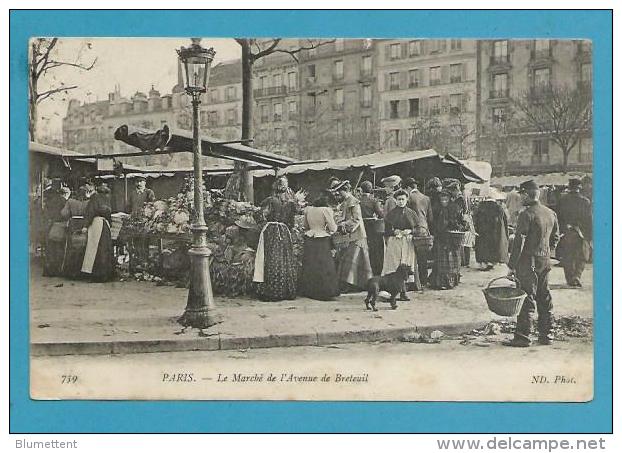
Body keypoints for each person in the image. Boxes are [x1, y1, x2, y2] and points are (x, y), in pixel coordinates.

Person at [504, 180, 560, 347]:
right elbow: (555, 237)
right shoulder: (550, 213)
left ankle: (522, 337)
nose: (520, 198)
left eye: (522, 195)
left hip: (529, 263)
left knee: (527, 298)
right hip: (545, 261)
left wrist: (512, 265)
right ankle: (547, 335)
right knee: (544, 297)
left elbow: (519, 242)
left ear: (527, 195)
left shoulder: (526, 214)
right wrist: (546, 251)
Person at [253, 175, 298, 301]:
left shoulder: (270, 200)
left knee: (270, 258)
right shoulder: (291, 203)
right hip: (284, 231)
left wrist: (264, 223)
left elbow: (258, 215)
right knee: (284, 259)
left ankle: (270, 290)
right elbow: (292, 223)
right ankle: (285, 290)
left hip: (271, 230)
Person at [332, 180, 373, 292]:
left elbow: (356, 219)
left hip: (356, 234)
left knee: (353, 260)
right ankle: (352, 285)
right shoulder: (345, 201)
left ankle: (353, 285)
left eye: (339, 192)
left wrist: (342, 225)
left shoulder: (353, 202)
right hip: (350, 235)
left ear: (345, 190)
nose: (337, 195)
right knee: (350, 260)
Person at [298, 194, 340, 301]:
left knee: (311, 264)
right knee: (324, 265)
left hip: (310, 237)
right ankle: (325, 291)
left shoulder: (309, 210)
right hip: (321, 238)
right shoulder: (325, 210)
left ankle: (309, 290)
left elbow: (305, 226)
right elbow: (333, 228)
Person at [382, 189, 422, 299]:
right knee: (394, 266)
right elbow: (386, 230)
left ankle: (404, 292)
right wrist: (394, 231)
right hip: (395, 242)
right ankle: (393, 292)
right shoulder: (391, 214)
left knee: (405, 266)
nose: (401, 201)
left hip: (407, 242)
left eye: (403, 199)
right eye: (398, 199)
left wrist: (410, 231)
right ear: (395, 200)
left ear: (407, 199)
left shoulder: (411, 213)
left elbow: (418, 228)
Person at [556, 178, 592, 287]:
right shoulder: (585, 201)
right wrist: (589, 235)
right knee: (582, 256)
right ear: (579, 188)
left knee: (567, 256)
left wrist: (560, 230)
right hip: (581, 233)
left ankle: (570, 278)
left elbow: (558, 217)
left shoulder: (562, 200)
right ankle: (577, 276)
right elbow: (589, 219)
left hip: (566, 232)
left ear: (569, 187)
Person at [81, 181, 115, 282]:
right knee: (106, 249)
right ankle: (106, 274)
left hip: (96, 223)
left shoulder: (95, 198)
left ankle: (97, 275)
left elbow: (91, 211)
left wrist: (85, 225)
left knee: (95, 248)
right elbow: (110, 213)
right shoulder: (108, 198)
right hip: (106, 225)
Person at [429, 190, 463, 290]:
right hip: (441, 238)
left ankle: (451, 281)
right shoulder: (436, 209)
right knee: (441, 260)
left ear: (449, 199)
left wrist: (456, 226)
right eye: (442, 199)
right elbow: (433, 223)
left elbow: (460, 222)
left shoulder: (455, 208)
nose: (443, 201)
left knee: (451, 260)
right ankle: (440, 282)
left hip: (452, 238)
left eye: (446, 199)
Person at [404, 177, 433, 286]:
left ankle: (414, 282)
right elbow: (430, 218)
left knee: (411, 255)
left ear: (408, 187)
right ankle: (423, 280)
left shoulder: (408, 197)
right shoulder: (426, 198)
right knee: (423, 258)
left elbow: (406, 215)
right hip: (424, 229)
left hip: (412, 229)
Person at [61, 186, 92, 278]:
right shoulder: (89, 202)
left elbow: (63, 213)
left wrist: (70, 216)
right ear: (86, 193)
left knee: (72, 247)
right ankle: (83, 271)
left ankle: (71, 271)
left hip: (73, 224)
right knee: (84, 247)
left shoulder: (70, 201)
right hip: (85, 225)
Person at [474, 192, 509, 271]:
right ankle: (491, 262)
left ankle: (483, 262)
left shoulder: (480, 206)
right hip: (494, 232)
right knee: (493, 246)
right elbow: (504, 221)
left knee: (482, 246)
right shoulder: (498, 208)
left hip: (482, 231)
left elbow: (476, 219)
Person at [42, 182, 70, 277]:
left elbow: (45, 213)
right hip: (60, 226)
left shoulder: (50, 201)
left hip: (50, 225)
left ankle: (48, 270)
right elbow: (65, 214)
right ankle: (57, 270)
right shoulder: (64, 201)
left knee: (50, 249)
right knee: (59, 249)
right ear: (65, 194)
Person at [358, 180, 385, 276]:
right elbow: (381, 214)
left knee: (364, 249)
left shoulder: (358, 200)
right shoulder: (373, 200)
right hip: (372, 227)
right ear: (371, 189)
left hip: (361, 226)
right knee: (374, 249)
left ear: (361, 190)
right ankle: (375, 271)